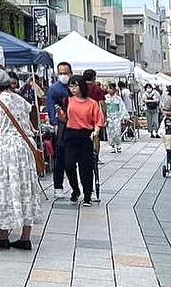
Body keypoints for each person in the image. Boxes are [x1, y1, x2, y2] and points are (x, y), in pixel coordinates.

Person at [0, 69, 42, 250]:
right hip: (26, 149)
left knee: (5, 189)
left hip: (8, 149)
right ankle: (25, 237)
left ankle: (3, 234)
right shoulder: (21, 101)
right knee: (26, 188)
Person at [63, 74, 103, 204]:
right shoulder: (68, 100)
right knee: (69, 165)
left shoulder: (92, 103)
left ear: (82, 87)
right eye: (71, 86)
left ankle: (87, 194)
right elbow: (64, 118)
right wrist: (60, 114)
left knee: (85, 167)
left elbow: (98, 120)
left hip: (86, 135)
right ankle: (75, 189)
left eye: (75, 86)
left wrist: (96, 131)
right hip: (71, 134)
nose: (72, 89)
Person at [48, 62, 72, 197]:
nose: (63, 75)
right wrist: (55, 124)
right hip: (62, 126)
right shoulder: (54, 89)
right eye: (60, 73)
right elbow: (51, 107)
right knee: (60, 158)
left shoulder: (75, 87)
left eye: (65, 73)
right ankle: (58, 186)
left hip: (76, 126)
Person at [104, 86, 125, 154]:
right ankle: (112, 145)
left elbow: (122, 107)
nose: (110, 90)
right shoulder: (105, 97)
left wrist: (121, 117)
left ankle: (118, 145)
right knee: (110, 132)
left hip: (116, 116)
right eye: (109, 88)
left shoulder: (118, 98)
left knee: (117, 131)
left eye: (112, 89)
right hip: (109, 116)